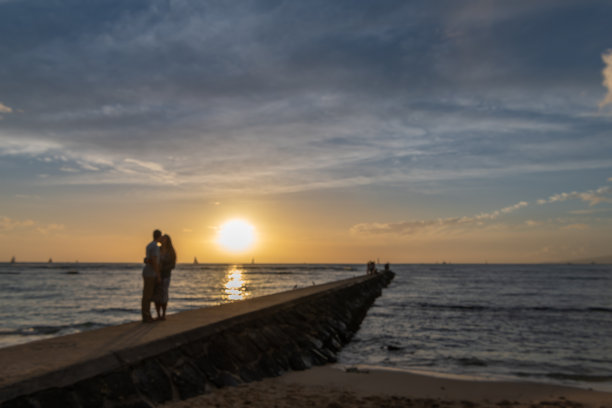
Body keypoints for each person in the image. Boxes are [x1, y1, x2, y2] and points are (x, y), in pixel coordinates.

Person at [153, 234, 177, 321]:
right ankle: (158, 314)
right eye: (162, 239)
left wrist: (163, 268)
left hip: (166, 275)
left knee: (164, 294)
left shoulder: (171, 251)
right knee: (156, 295)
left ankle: (163, 314)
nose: (163, 240)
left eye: (164, 239)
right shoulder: (158, 249)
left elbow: (173, 265)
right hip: (156, 275)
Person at [142, 229, 162, 323]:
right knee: (148, 296)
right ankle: (146, 316)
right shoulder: (155, 247)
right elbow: (154, 261)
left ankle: (147, 315)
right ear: (159, 236)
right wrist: (158, 275)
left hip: (147, 272)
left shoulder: (149, 245)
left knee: (147, 295)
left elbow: (148, 259)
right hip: (150, 273)